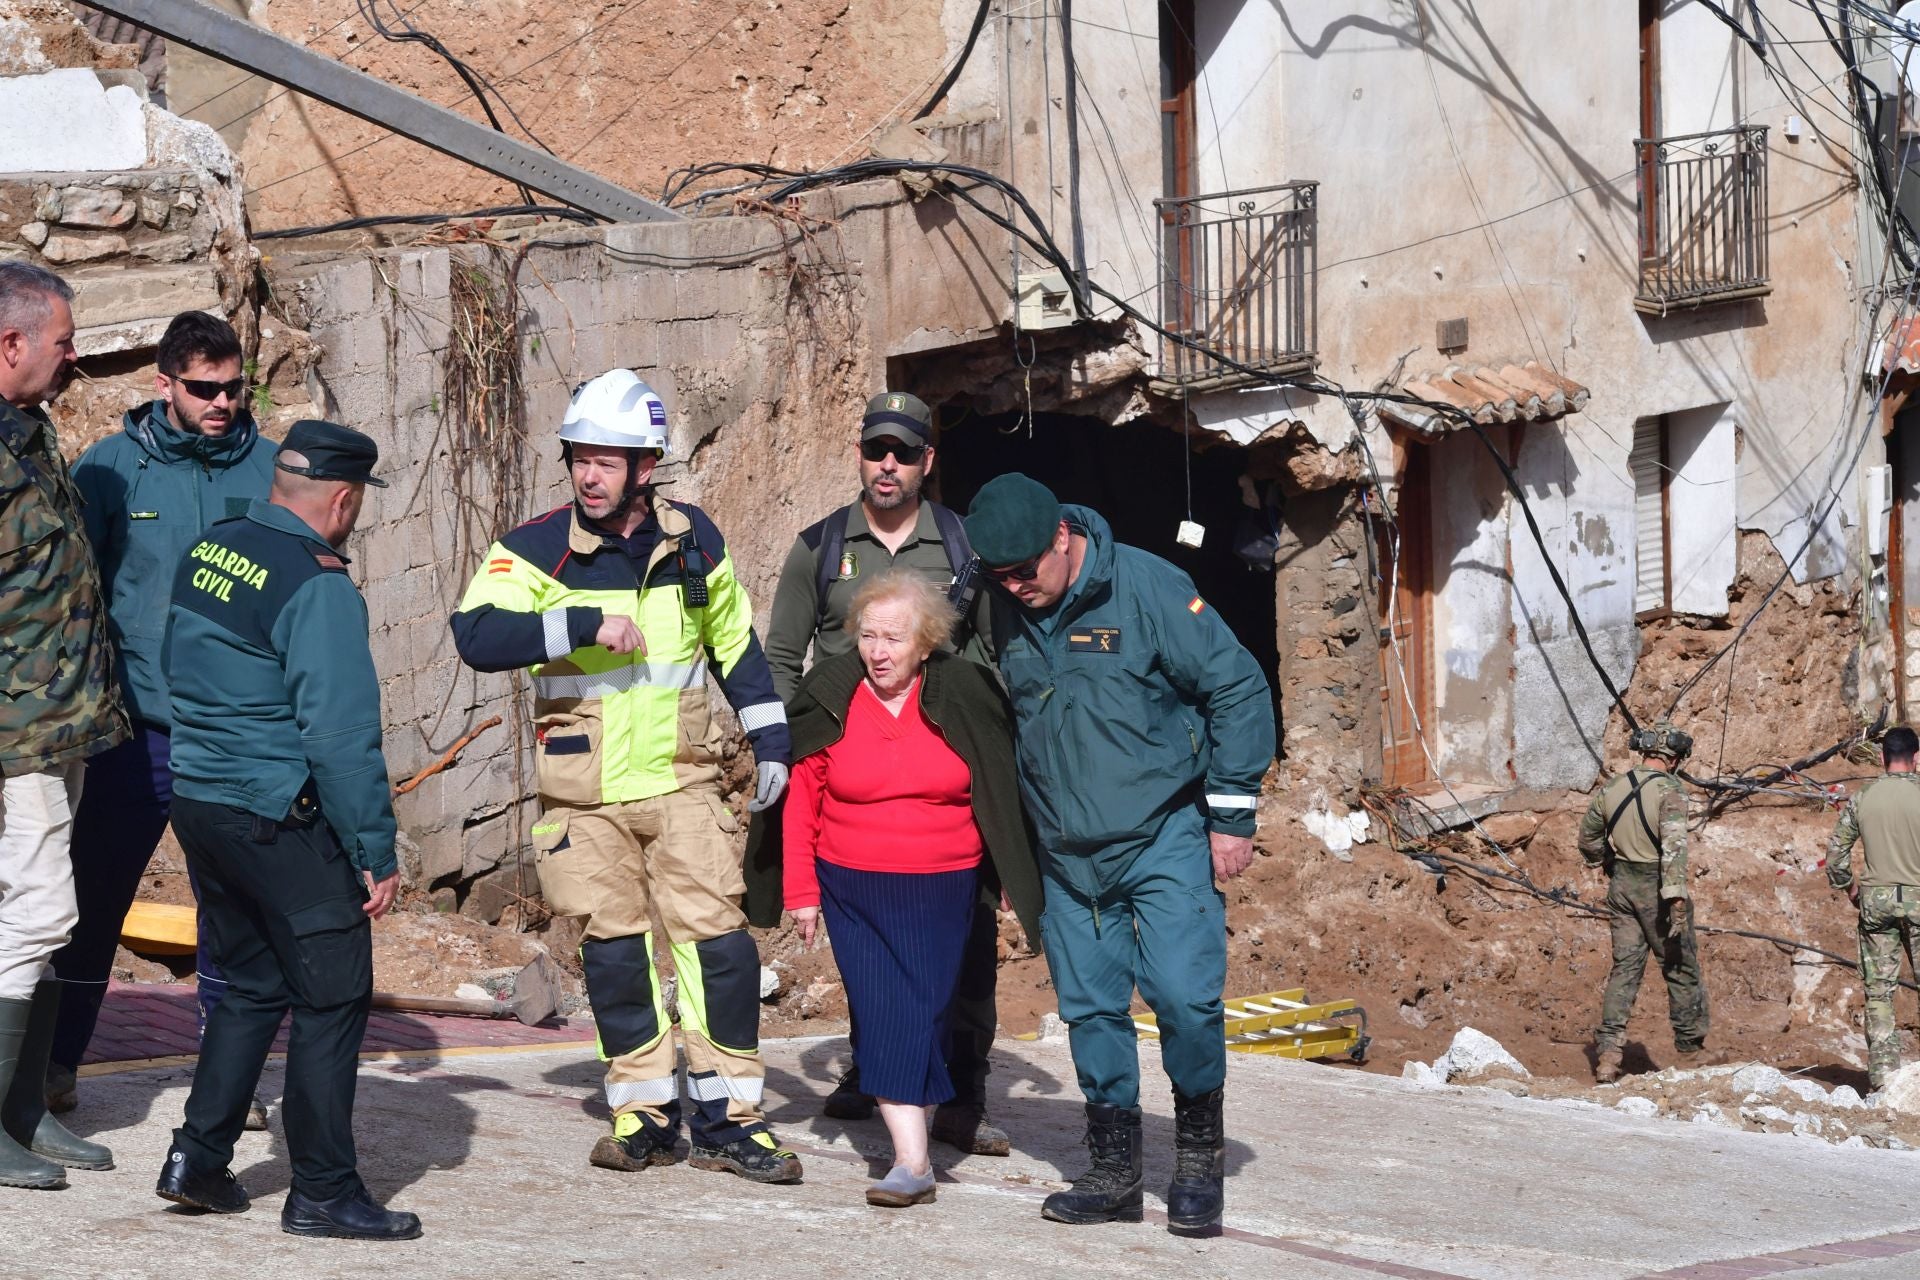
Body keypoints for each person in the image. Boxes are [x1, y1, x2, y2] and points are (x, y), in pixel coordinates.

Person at [450, 369, 800, 1182]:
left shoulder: (694, 540)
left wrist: (771, 738)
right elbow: (476, 633)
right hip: (586, 795)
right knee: (614, 956)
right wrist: (576, 621)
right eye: (580, 458)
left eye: (609, 462)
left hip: (682, 782)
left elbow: (736, 643)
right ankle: (643, 1110)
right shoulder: (536, 549)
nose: (589, 475)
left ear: (647, 468)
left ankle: (729, 1120)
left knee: (717, 950)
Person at [963, 473, 1275, 1238]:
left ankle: (1198, 1160)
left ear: (1062, 538)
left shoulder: (1146, 587)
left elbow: (1236, 686)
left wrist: (1231, 815)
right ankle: (1114, 1171)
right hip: (1065, 854)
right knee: (1092, 1012)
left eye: (1024, 571)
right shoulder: (996, 603)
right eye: (998, 575)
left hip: (1162, 832)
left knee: (1184, 997)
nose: (1014, 587)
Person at [156, 420, 418, 1240]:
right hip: (274, 810)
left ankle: (198, 1159)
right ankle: (324, 1191)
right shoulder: (318, 583)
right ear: (342, 501)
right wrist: (374, 851)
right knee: (334, 991)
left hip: (199, 800)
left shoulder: (215, 545)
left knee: (252, 986)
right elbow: (339, 738)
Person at [763, 389, 1008, 1154]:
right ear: (862, 457)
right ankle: (874, 1065)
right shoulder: (820, 544)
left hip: (942, 761)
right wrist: (792, 738)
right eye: (877, 450)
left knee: (961, 941)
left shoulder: (965, 545)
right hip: (846, 760)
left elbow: (997, 652)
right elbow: (780, 655)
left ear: (928, 461)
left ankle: (965, 1089)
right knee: (866, 934)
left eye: (904, 451)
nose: (888, 465)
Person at [747, 571, 1040, 1207]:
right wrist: (801, 891)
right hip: (852, 885)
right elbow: (802, 802)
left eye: (894, 639)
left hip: (943, 886)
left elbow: (997, 785)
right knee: (884, 1012)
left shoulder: (963, 693)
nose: (879, 652)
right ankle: (912, 1162)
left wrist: (1010, 872)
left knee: (924, 1012)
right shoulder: (833, 693)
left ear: (927, 643)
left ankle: (916, 1147)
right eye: (869, 637)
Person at [51, 311, 276, 1123]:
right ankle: (55, 1065)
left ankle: (230, 1084)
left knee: (236, 910)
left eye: (232, 387)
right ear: (164, 385)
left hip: (235, 733)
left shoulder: (273, 470)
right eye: (203, 388)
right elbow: (70, 591)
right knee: (92, 901)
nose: (221, 402)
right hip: (135, 732)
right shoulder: (110, 469)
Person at [0, 261, 128, 1190]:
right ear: (11, 344)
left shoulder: (29, 432)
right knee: (41, 912)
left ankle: (23, 1110)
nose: (73, 357)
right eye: (62, 341)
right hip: (14, 733)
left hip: (61, 721)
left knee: (38, 914)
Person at [1576, 721, 1709, 1085]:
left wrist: (1607, 862)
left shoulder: (1613, 787)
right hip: (1657, 890)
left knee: (1624, 970)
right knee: (1680, 970)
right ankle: (1691, 1054)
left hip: (1622, 886)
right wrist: (1676, 897)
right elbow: (1674, 848)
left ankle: (1608, 1055)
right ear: (1675, 757)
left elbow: (1588, 839)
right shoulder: (1672, 792)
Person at [1827, 726, 1920, 1093]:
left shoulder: (1863, 797)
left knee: (1879, 992)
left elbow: (1836, 855)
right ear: (1917, 758)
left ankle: (1883, 1078)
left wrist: (1850, 889)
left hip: (1876, 903)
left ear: (1882, 758)